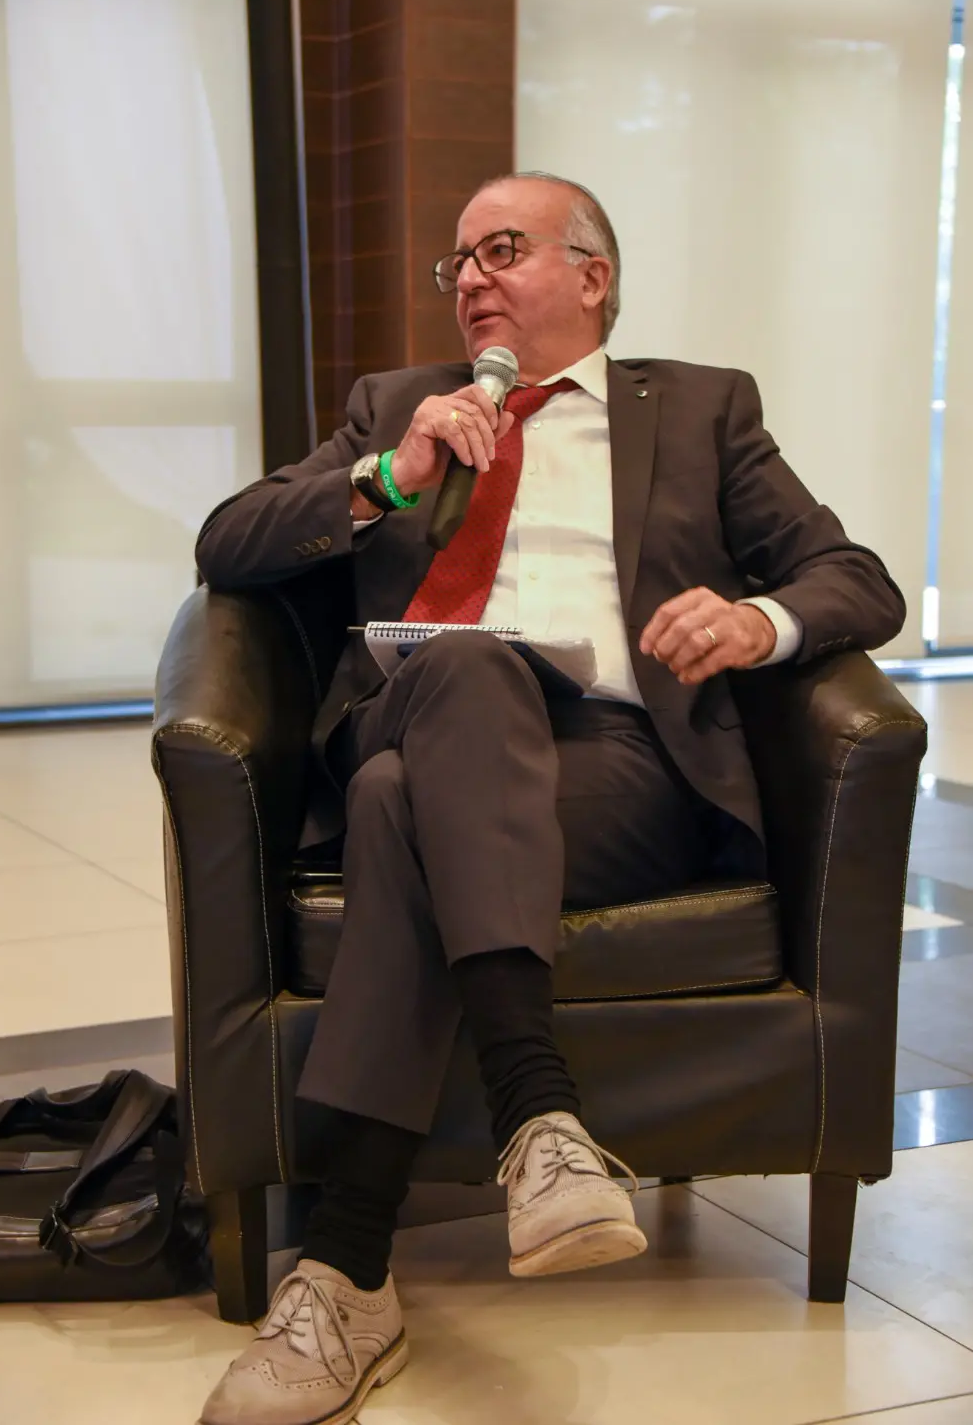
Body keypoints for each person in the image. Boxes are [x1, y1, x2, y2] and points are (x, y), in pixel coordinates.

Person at [194, 171, 905, 1425]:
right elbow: (227, 542)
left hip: (616, 766)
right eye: (456, 262)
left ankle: (348, 1272)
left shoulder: (700, 410)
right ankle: (540, 1118)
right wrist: (385, 476)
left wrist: (756, 619)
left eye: (501, 249)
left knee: (397, 810)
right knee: (462, 673)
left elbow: (854, 577)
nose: (467, 278)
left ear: (591, 275)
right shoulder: (396, 408)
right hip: (420, 705)